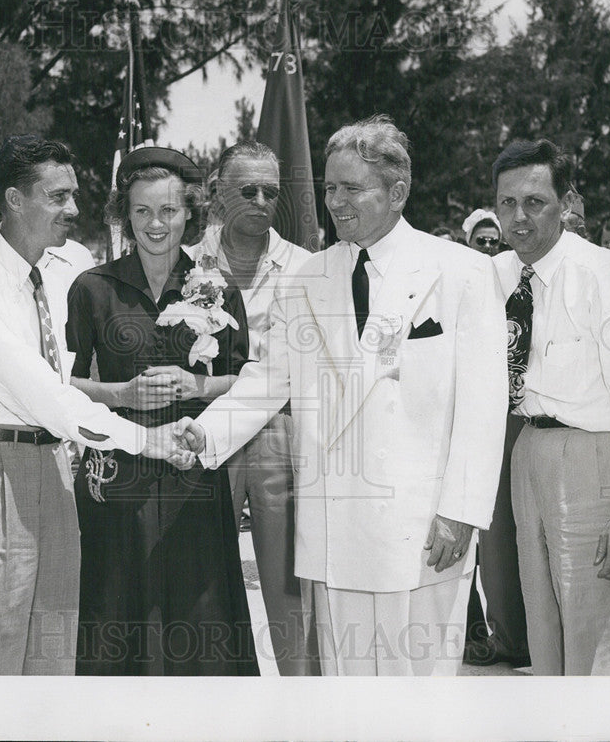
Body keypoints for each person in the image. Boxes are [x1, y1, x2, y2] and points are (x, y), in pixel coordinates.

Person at [180, 116, 509, 676]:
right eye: (329, 188)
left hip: (421, 527)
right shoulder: (309, 277)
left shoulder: (463, 273)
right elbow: (269, 376)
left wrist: (460, 512)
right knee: (346, 694)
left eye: (351, 188)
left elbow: (484, 406)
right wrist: (205, 431)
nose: (334, 202)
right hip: (334, 526)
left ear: (397, 191)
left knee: (419, 696)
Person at [0, 135, 190, 675]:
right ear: (15, 200)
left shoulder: (60, 269)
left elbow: (66, 376)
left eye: (73, 195)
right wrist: (143, 439)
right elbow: (38, 391)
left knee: (52, 657)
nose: (74, 209)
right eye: (58, 197)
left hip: (53, 469)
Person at [65, 146, 258, 676]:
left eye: (169, 211)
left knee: (198, 614)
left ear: (190, 212)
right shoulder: (92, 289)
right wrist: (121, 394)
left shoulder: (217, 290)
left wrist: (196, 382)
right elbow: (63, 384)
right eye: (142, 210)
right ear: (123, 214)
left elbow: (248, 381)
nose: (156, 223)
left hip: (192, 473)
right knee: (115, 606)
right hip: (117, 474)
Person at [492, 139, 610, 676]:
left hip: (597, 462)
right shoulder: (498, 275)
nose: (519, 218)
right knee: (545, 639)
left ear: (566, 202)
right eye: (507, 203)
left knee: (601, 652)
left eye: (535, 202)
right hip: (528, 453)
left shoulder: (604, 274)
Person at [188, 141, 319, 676]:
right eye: (248, 190)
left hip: (276, 434)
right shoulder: (182, 260)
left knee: (289, 587)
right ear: (219, 191)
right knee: (201, 581)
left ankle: (303, 704)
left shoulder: (309, 269)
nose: (261, 200)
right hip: (202, 432)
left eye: (271, 191)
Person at [461, 210, 531, 669]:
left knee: (501, 537)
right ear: (465, 242)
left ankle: (510, 634)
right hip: (458, 420)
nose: (488, 248)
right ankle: (469, 632)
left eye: (494, 242)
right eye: (480, 241)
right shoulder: (455, 285)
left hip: (509, 421)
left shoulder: (516, 288)